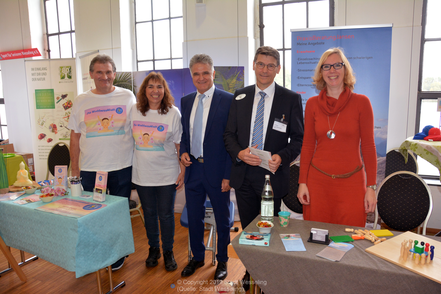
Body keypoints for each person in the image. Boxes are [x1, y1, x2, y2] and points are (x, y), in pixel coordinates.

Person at [224, 46, 304, 231]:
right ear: (254, 65)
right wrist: (239, 153)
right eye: (261, 64)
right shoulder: (240, 96)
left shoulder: (291, 99)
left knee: (269, 231)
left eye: (270, 66)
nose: (265, 70)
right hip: (243, 176)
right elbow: (229, 134)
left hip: (272, 177)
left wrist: (282, 157)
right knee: (249, 231)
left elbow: (298, 139)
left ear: (278, 68)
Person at [68, 54, 136, 271]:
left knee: (117, 213)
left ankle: (117, 252)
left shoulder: (128, 96)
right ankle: (98, 250)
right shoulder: (81, 101)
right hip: (90, 169)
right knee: (93, 212)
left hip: (122, 166)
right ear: (91, 74)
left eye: (108, 72)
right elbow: (74, 137)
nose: (104, 76)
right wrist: (75, 170)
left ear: (114, 74)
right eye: (99, 72)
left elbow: (139, 127)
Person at [297, 47, 377, 227]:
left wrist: (371, 187)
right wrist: (302, 182)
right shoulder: (311, 104)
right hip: (317, 184)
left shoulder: (362, 103)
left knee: (350, 241)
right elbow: (308, 145)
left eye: (337, 65)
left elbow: (369, 147)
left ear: (345, 69)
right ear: (321, 73)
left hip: (352, 185)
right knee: (316, 237)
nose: (332, 71)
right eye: (326, 67)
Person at [180, 54, 233, 281]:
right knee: (194, 218)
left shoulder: (229, 100)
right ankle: (197, 257)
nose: (201, 77)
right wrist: (183, 151)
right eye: (196, 73)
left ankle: (222, 260)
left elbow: (233, 141)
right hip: (193, 170)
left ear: (213, 73)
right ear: (191, 75)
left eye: (205, 73)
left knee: (221, 220)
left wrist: (228, 175)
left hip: (218, 172)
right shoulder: (186, 100)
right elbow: (186, 134)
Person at [131, 71, 184, 272]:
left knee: (166, 215)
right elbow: (128, 141)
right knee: (150, 213)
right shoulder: (134, 111)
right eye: (151, 86)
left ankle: (168, 251)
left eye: (159, 87)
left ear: (164, 90)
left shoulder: (173, 113)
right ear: (145, 90)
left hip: (167, 173)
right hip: (143, 174)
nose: (155, 91)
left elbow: (179, 145)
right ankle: (153, 249)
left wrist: (182, 172)